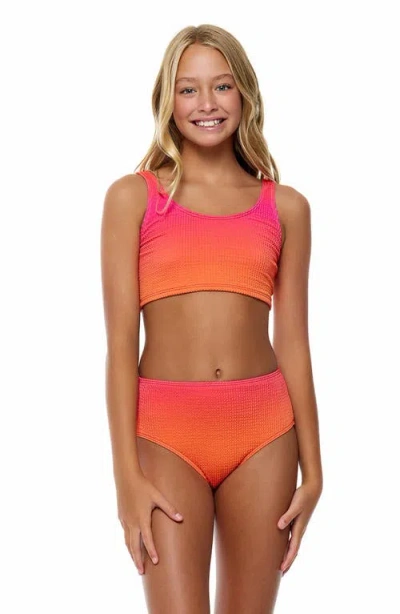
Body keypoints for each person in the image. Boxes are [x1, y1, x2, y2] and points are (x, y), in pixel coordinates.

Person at [101, 23, 323, 613]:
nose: (207, 103)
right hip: (165, 432)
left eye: (222, 86)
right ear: (167, 102)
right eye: (188, 89)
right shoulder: (133, 198)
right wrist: (125, 477)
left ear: (244, 94)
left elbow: (294, 343)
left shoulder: (287, 208)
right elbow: (120, 344)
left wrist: (315, 471)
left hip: (265, 434)